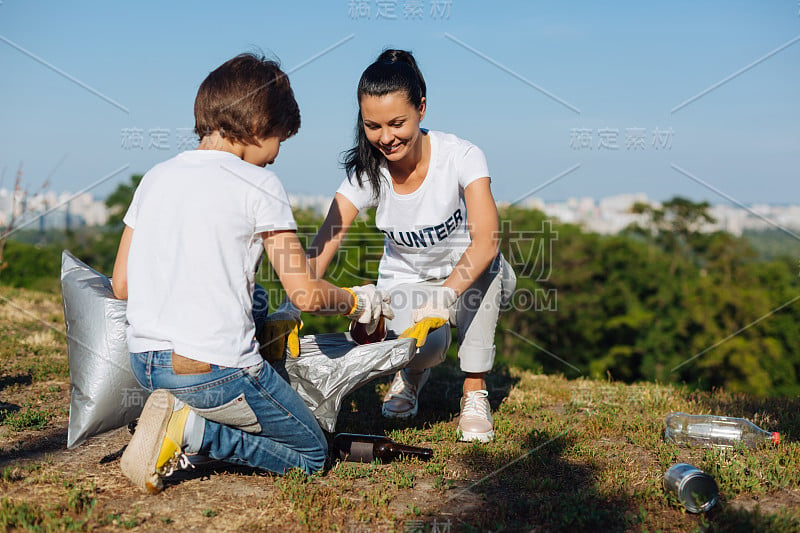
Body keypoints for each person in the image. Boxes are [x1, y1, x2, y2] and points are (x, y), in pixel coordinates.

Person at [111, 53, 387, 493]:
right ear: (259, 126)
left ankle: (177, 413)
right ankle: (192, 429)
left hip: (146, 365)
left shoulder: (155, 177)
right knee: (313, 454)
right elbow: (305, 295)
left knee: (255, 300)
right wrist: (357, 300)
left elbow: (121, 285)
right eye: (280, 138)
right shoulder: (259, 185)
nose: (275, 155)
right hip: (211, 372)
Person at [308, 49, 516, 443]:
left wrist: (444, 296)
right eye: (372, 126)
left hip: (472, 278)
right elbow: (323, 243)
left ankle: (474, 391)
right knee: (420, 347)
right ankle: (412, 373)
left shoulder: (461, 156)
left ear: (421, 108)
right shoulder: (366, 174)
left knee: (485, 267)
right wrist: (293, 296)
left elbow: (487, 240)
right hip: (408, 286)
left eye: (396, 123)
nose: (385, 138)